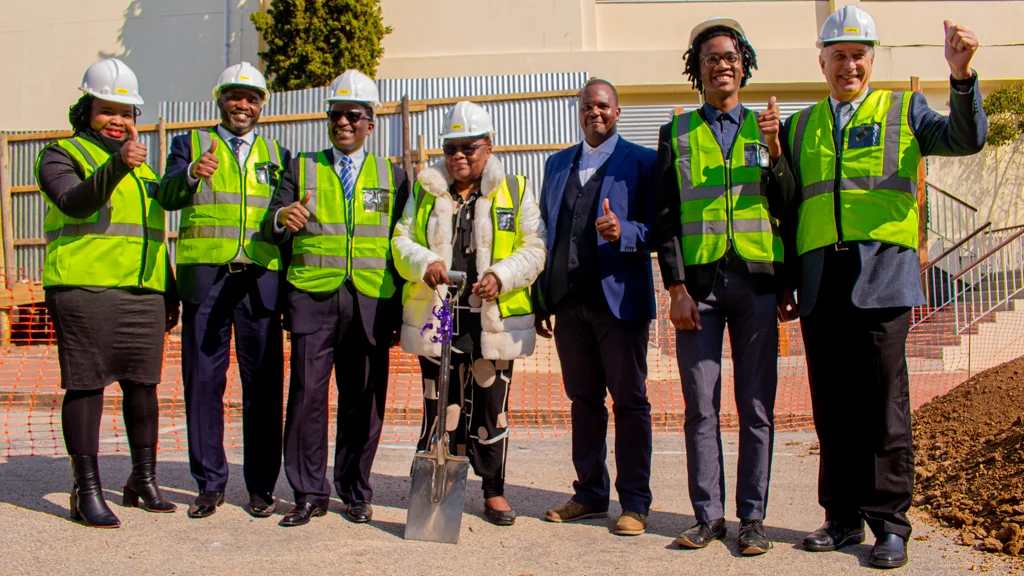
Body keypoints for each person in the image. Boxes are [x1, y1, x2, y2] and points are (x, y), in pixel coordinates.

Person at [781, 6, 987, 569]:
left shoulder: (903, 109)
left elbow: (965, 139)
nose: (849, 65)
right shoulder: (799, 127)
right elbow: (787, 207)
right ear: (821, 61)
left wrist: (962, 77)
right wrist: (786, 281)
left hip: (882, 278)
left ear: (872, 58)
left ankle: (890, 523)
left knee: (883, 406)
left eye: (858, 55)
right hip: (822, 279)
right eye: (838, 55)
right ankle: (841, 517)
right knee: (833, 406)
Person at [652, 17, 796, 555]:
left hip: (757, 284)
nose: (722, 64)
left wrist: (777, 151)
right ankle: (708, 516)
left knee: (756, 407)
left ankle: (752, 520)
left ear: (745, 65)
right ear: (697, 69)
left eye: (731, 56)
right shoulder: (677, 132)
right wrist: (676, 288)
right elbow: (665, 217)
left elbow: (787, 208)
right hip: (702, 290)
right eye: (711, 57)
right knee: (701, 407)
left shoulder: (768, 131)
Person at [264, 70, 410, 527]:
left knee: (363, 401)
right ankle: (308, 492)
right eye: (336, 115)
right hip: (314, 301)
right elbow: (273, 221)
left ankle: (355, 489)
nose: (343, 122)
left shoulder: (394, 175)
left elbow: (403, 243)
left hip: (371, 303)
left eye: (353, 115)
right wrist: (281, 217)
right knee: (307, 398)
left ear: (371, 122)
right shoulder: (301, 167)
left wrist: (402, 310)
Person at [36, 58, 178, 528]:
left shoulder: (141, 168)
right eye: (107, 109)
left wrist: (169, 291)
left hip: (142, 293)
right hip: (84, 290)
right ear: (87, 108)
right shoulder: (61, 154)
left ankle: (142, 479)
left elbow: (150, 234)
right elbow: (74, 202)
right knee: (86, 386)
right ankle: (87, 489)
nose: (119, 120)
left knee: (143, 389)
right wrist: (118, 164)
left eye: (127, 112)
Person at [392, 101, 547, 526]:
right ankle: (439, 481)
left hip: (490, 321)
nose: (459, 155)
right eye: (452, 147)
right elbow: (401, 242)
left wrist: (501, 275)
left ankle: (493, 490)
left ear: (489, 147)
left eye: (470, 147)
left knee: (492, 406)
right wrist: (426, 264)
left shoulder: (513, 189)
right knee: (440, 405)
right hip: (440, 318)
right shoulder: (425, 191)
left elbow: (534, 248)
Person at [156, 62, 290, 520]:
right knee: (203, 385)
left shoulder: (279, 154)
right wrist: (192, 172)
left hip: (259, 283)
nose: (243, 105)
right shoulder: (188, 145)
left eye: (252, 98)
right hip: (206, 284)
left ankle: (260, 488)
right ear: (220, 100)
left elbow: (286, 224)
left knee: (263, 388)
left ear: (261, 105)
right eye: (235, 96)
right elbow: (167, 195)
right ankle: (209, 484)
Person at [535, 79, 657, 536]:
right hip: (570, 305)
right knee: (583, 401)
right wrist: (542, 295)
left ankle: (635, 503)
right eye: (588, 106)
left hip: (620, 304)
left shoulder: (642, 162)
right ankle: (589, 493)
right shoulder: (556, 164)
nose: (595, 113)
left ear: (618, 111)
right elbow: (546, 231)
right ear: (580, 111)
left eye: (603, 106)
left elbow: (661, 231)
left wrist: (624, 231)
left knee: (629, 402)